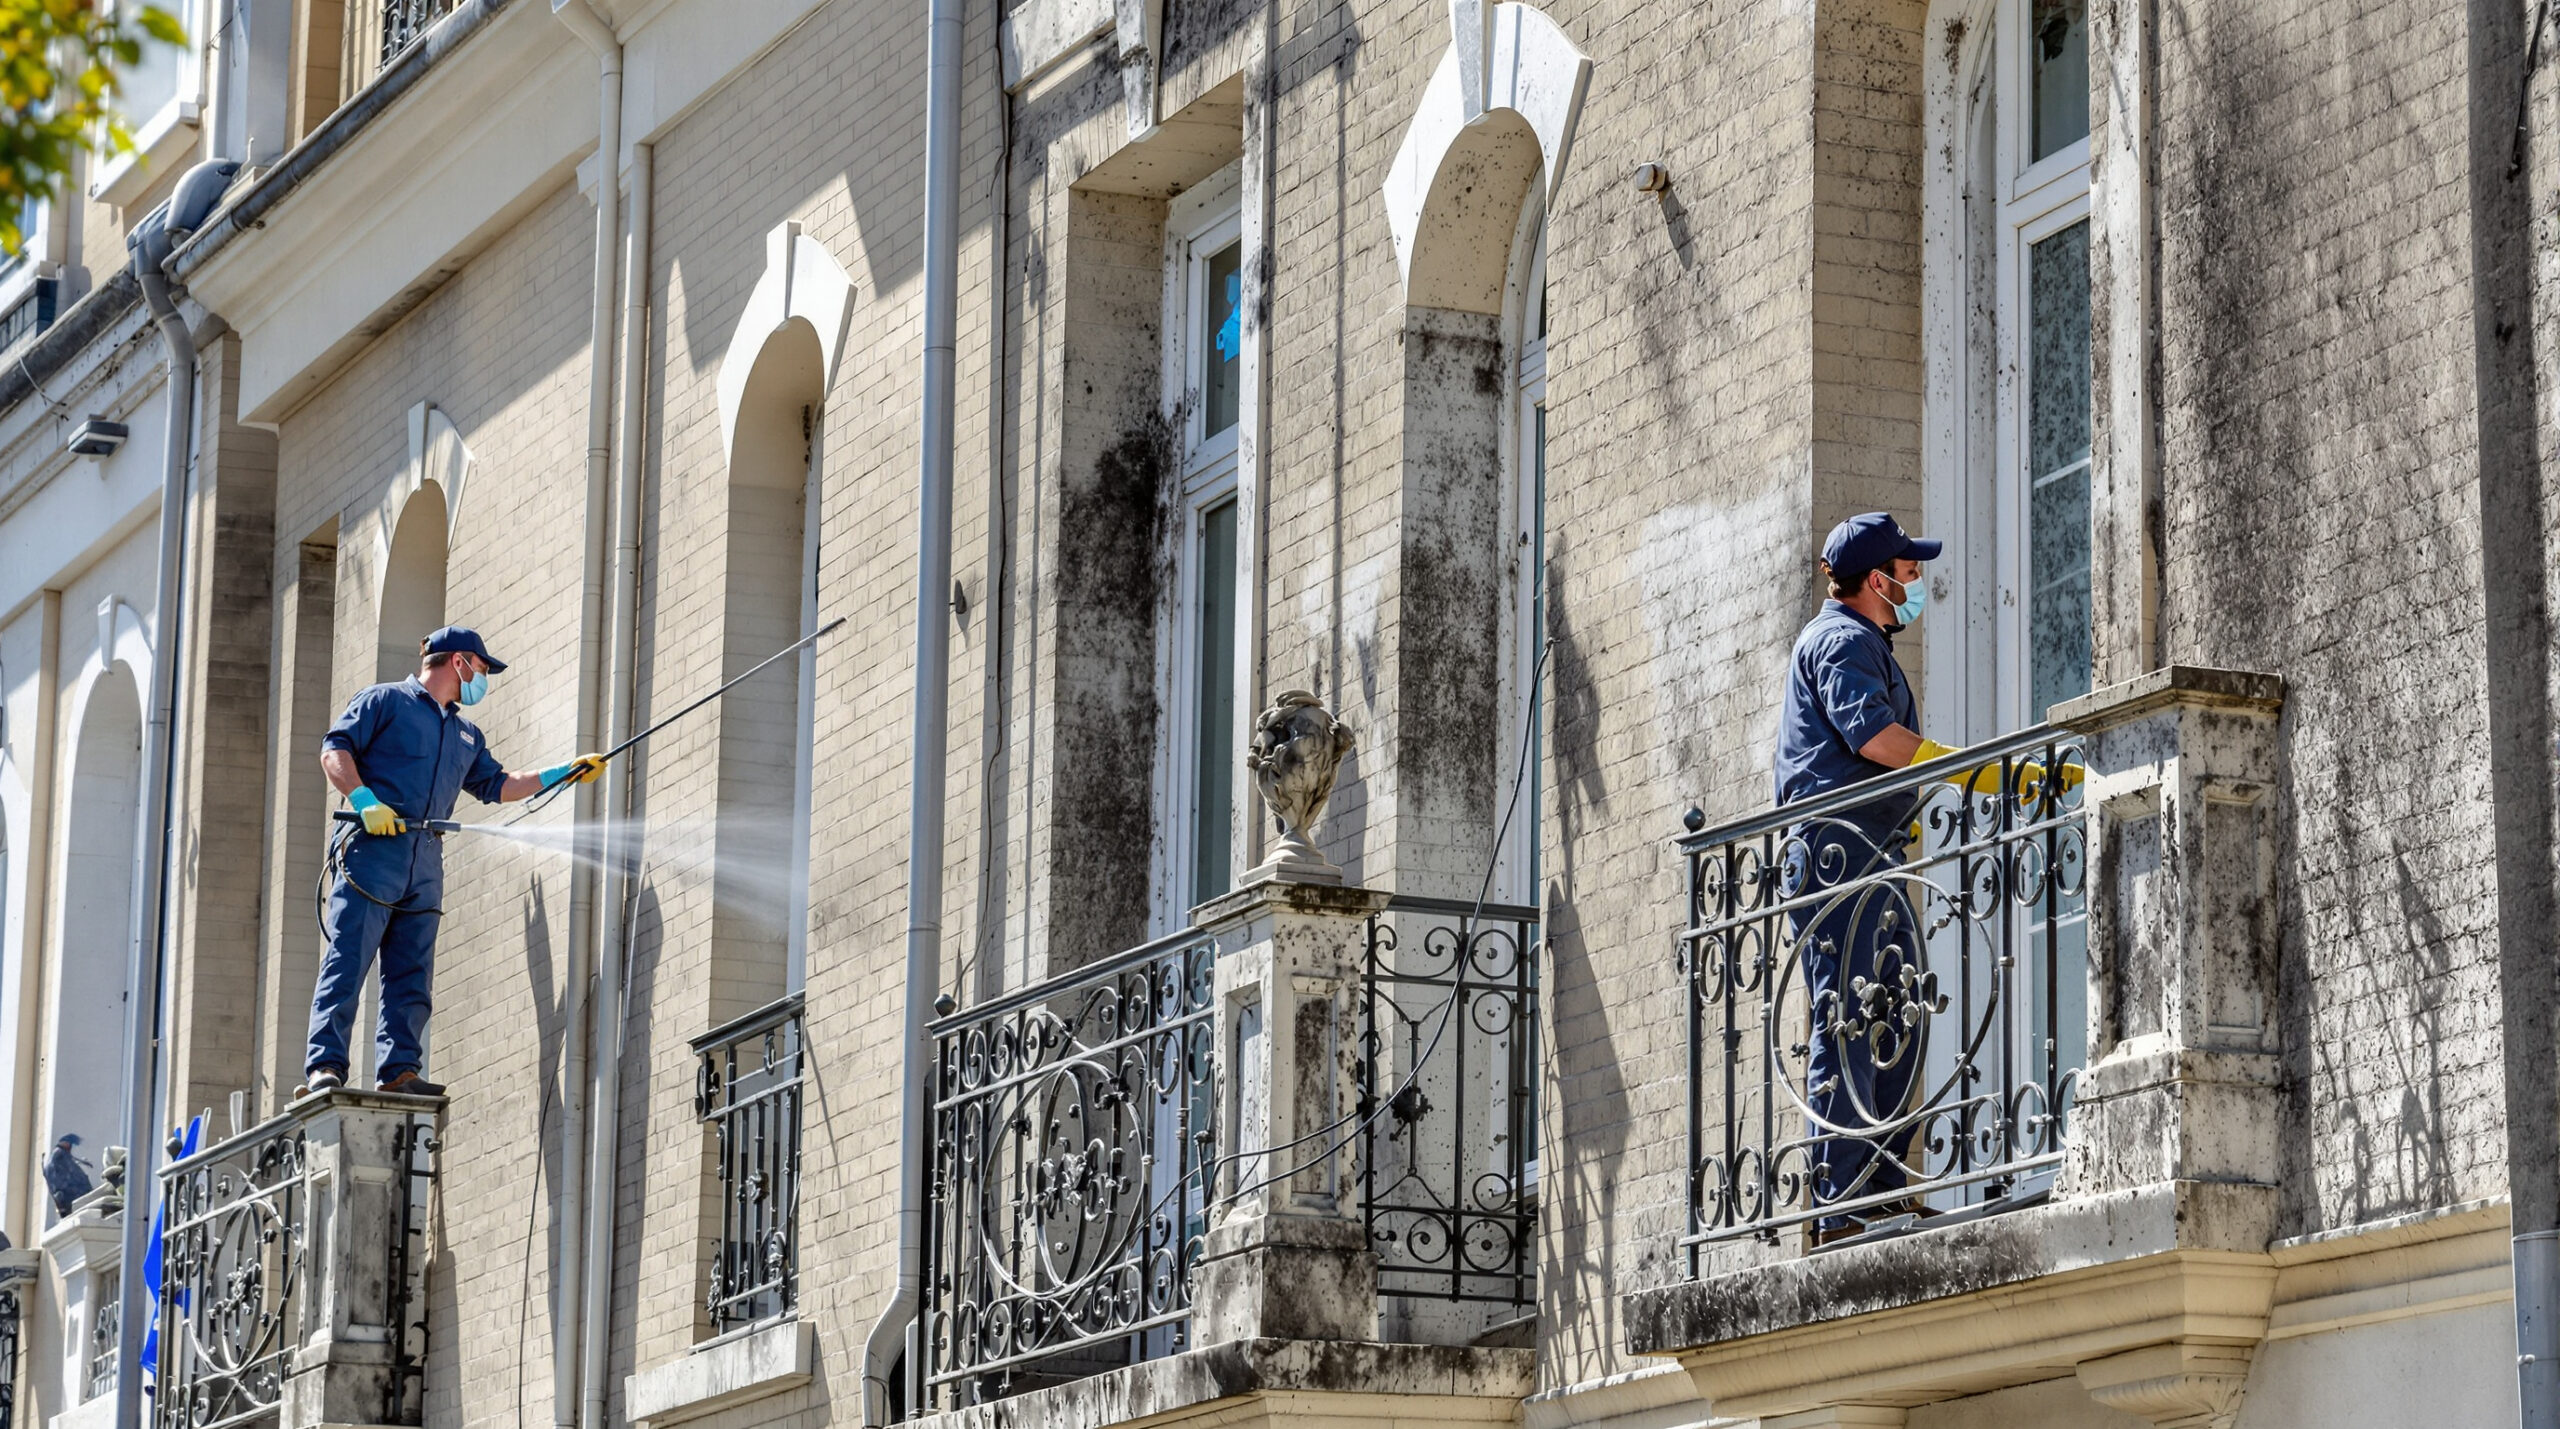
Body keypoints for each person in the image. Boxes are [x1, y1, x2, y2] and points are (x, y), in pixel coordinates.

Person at [305, 626, 605, 1098]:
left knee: (412, 973)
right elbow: (334, 748)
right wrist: (363, 798)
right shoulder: (384, 701)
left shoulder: (466, 733)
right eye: (482, 668)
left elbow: (499, 784)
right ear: (460, 661)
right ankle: (325, 1066)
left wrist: (560, 774)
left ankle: (400, 1070)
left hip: (424, 861)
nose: (483, 678)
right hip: (373, 849)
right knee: (348, 959)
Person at [1773, 512, 1966, 1242]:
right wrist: (1957, 767)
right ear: (1877, 580)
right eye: (1908, 571)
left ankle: (1881, 1187)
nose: (1916, 581)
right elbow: (1873, 737)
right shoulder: (1842, 641)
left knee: (1895, 1012)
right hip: (1836, 855)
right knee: (1849, 1016)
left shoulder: (1858, 641)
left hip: (1866, 853)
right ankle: (1838, 1201)